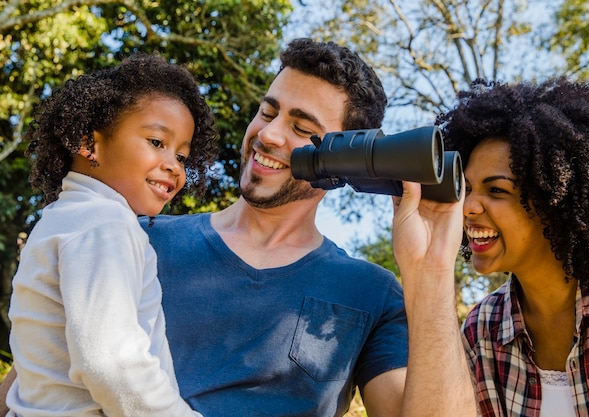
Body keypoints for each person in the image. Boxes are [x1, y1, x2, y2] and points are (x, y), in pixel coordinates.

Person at [0, 39, 475, 416]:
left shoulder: (372, 293)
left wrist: (431, 273)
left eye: (302, 128)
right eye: (268, 112)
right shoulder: (134, 234)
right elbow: (37, 379)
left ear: (344, 159)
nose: (268, 134)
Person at [5, 53, 219, 416]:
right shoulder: (104, 222)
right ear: (90, 144)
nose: (173, 165)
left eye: (182, 157)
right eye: (156, 141)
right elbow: (113, 362)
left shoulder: (65, 218)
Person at [436, 77, 589, 416]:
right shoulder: (482, 330)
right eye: (466, 189)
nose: (467, 207)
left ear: (555, 202)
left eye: (496, 191)